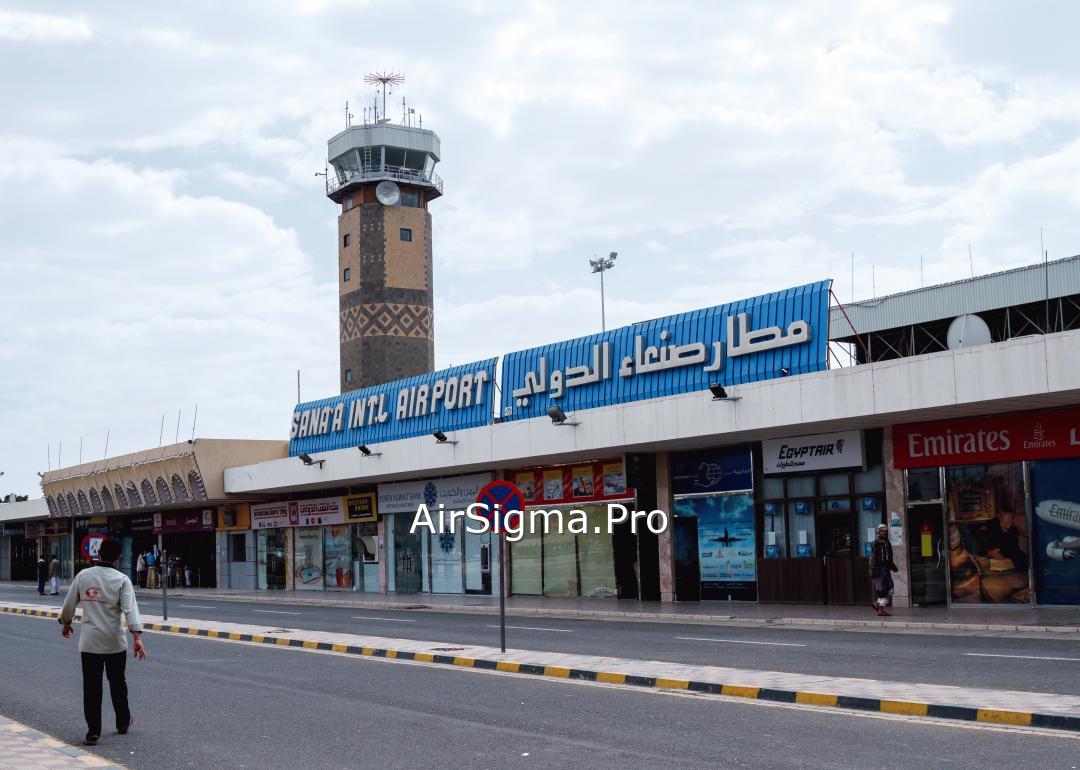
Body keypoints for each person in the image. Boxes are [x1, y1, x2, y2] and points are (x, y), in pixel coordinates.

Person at [58, 538, 148, 747]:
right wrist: (137, 637)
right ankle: (123, 722)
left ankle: (93, 732)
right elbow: (130, 610)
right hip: (115, 642)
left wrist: (66, 623)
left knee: (91, 687)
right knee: (118, 683)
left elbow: (69, 604)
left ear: (98, 555)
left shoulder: (83, 576)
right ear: (119, 557)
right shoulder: (122, 579)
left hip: (90, 643)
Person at [868, 523, 898, 616]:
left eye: (885, 531)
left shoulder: (887, 542)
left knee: (890, 587)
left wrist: (893, 566)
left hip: (886, 568)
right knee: (882, 589)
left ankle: (877, 604)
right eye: (882, 531)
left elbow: (888, 556)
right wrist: (872, 570)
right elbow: (873, 558)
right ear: (879, 532)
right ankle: (881, 609)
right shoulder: (876, 543)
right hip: (879, 569)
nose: (884, 532)